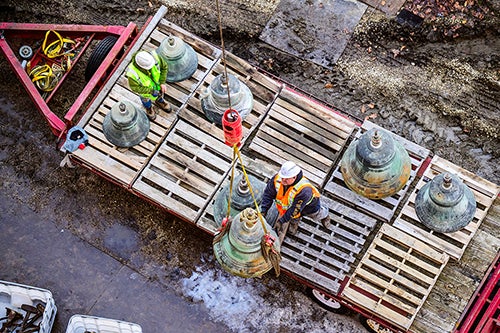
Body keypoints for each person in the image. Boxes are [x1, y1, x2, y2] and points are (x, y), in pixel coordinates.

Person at [259, 161, 331, 237]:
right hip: (290, 206)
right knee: (294, 217)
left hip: (309, 207)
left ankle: (325, 216)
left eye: (286, 179)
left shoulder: (304, 190)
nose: (283, 181)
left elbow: (294, 210)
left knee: (317, 214)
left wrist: (281, 221)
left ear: (294, 177)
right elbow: (268, 194)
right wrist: (264, 209)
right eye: (282, 177)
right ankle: (294, 223)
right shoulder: (277, 179)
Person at [126, 50, 171, 121]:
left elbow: (164, 67)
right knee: (146, 101)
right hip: (145, 93)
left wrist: (162, 82)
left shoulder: (155, 57)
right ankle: (149, 108)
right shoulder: (132, 73)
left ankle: (160, 101)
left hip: (157, 86)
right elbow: (135, 88)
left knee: (159, 95)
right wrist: (150, 91)